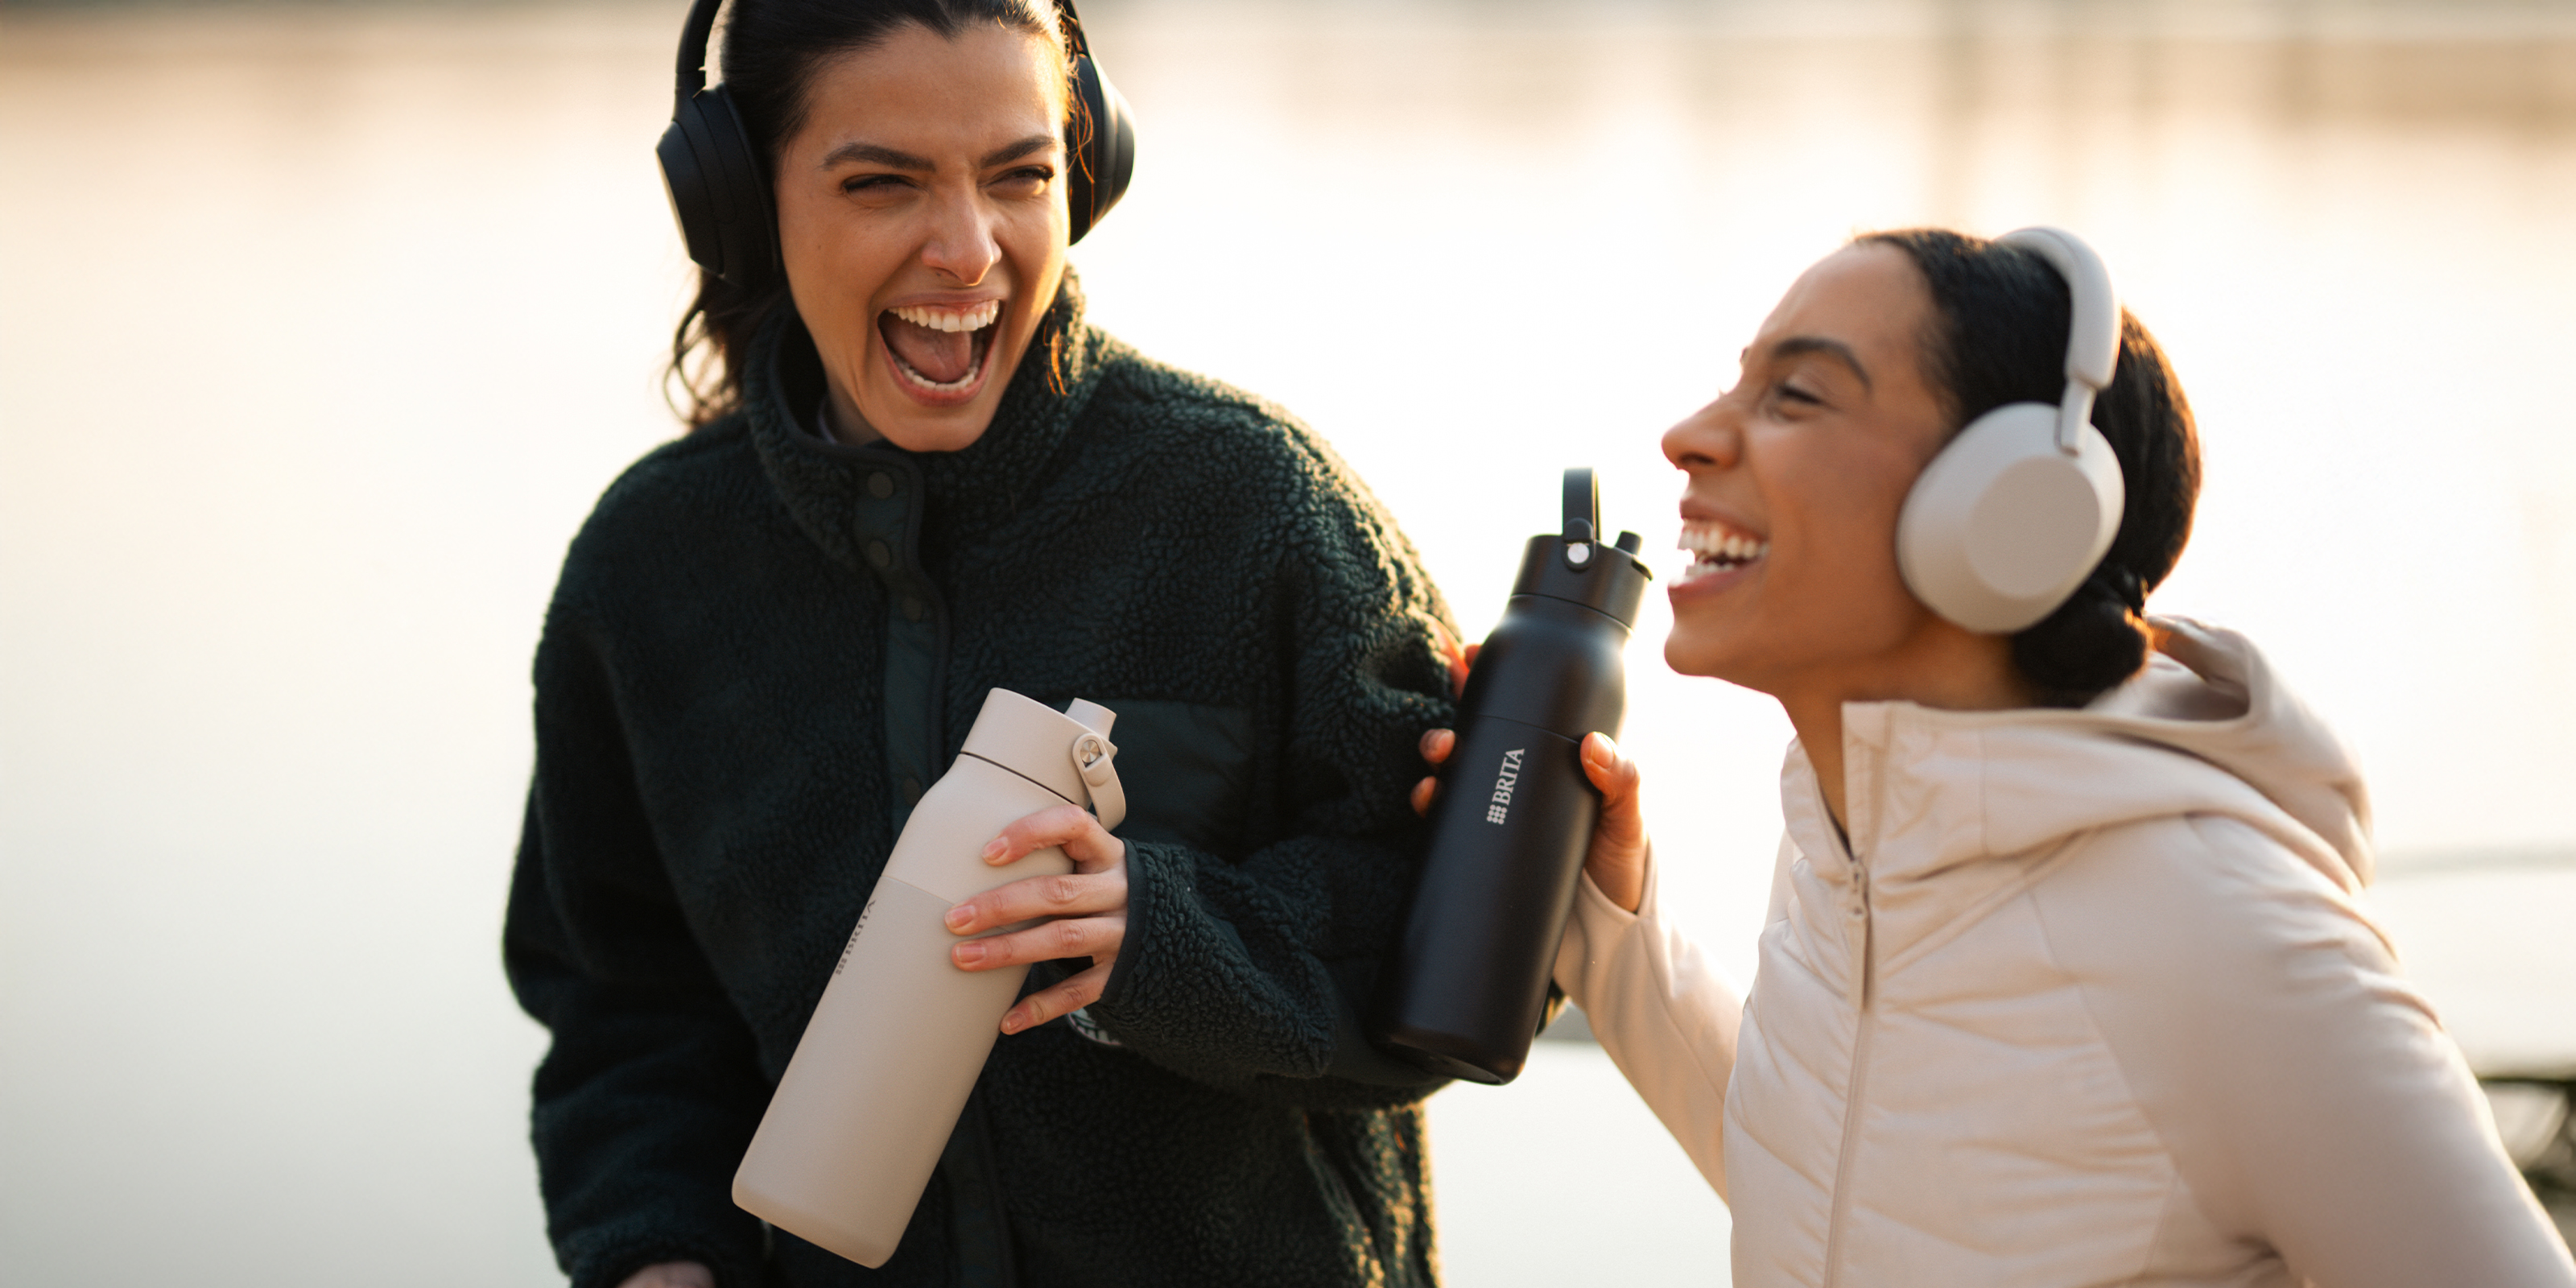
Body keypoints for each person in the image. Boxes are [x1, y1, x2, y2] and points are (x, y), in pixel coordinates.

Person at [502, 3, 1459, 1286]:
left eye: (1020, 177)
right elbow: (626, 1014)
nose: (969, 250)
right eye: (885, 184)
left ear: (1085, 177)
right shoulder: (647, 571)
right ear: (742, 204)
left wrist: (1156, 932)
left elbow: (1463, 951)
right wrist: (655, 1257)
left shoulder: (1258, 508)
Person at [1421, 228, 2576, 1285]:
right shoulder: (1849, 847)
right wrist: (1607, 926)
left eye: (1797, 395)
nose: (1690, 436)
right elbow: (1865, 1198)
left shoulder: (2232, 940)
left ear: (2010, 506)